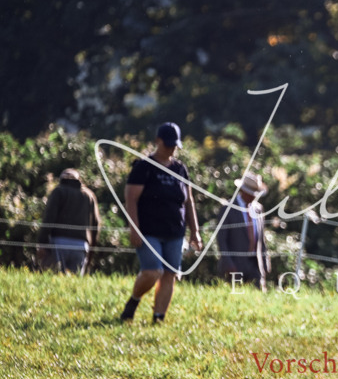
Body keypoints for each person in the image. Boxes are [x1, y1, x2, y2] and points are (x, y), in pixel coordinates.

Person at [119, 122, 202, 323]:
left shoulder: (180, 169)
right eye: (168, 144)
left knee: (169, 274)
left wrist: (195, 232)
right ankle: (134, 300)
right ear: (157, 142)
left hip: (175, 231)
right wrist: (134, 228)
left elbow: (188, 201)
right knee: (152, 271)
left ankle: (158, 317)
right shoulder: (144, 167)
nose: (172, 148)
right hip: (148, 230)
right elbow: (131, 198)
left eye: (175, 145)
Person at [38, 168, 102, 275]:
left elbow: (49, 218)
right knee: (75, 281)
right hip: (81, 245)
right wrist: (91, 251)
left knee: (56, 277)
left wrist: (42, 243)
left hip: (58, 242)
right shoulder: (89, 196)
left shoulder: (58, 191)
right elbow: (96, 225)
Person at [216, 172, 269, 290]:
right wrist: (228, 263)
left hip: (255, 264)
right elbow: (222, 239)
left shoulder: (258, 209)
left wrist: (265, 262)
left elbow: (261, 238)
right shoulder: (228, 208)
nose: (254, 196)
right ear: (243, 191)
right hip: (235, 264)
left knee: (258, 298)